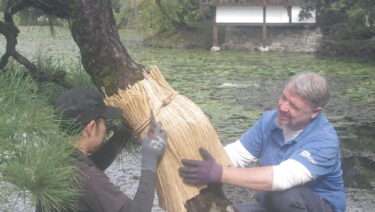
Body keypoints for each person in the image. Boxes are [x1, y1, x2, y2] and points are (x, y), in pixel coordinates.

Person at [179, 72, 345, 212]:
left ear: (315, 112)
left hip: (313, 205)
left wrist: (218, 173)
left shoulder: (325, 140)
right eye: (283, 97)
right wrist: (201, 161)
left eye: (293, 106)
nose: (283, 107)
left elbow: (282, 178)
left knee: (286, 196)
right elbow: (237, 154)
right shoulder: (271, 120)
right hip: (270, 202)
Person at [37, 87, 168, 212]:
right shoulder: (85, 177)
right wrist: (149, 159)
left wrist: (125, 132)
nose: (105, 128)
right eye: (104, 121)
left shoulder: (54, 162)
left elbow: (94, 163)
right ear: (91, 127)